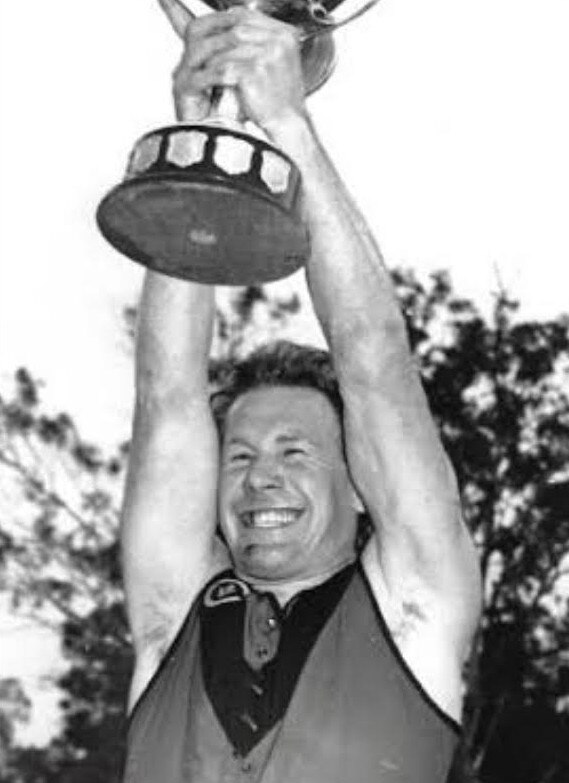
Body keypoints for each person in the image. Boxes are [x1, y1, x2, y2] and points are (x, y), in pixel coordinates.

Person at [119, 1, 482, 781]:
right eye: (240, 455)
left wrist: (287, 128)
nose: (260, 477)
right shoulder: (172, 615)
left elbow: (374, 364)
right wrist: (200, 127)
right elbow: (168, 397)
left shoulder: (414, 607)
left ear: (358, 483)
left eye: (293, 450)